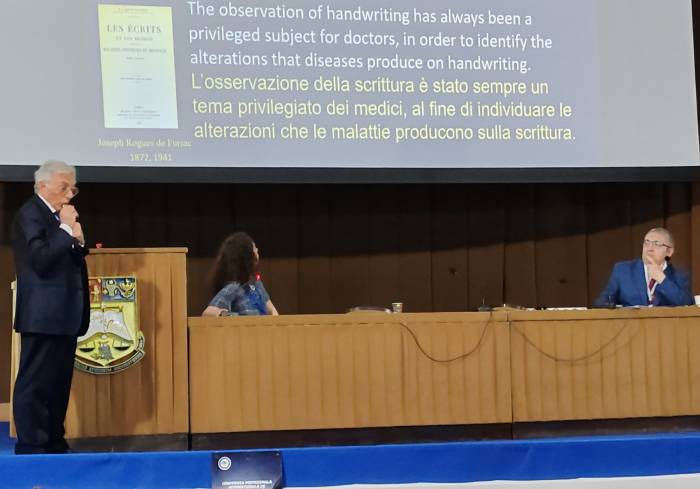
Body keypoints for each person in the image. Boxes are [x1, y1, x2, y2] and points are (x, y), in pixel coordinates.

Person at [12, 160, 89, 454]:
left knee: (58, 384)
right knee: (35, 383)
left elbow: (67, 258)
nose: (69, 195)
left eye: (72, 189)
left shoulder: (56, 217)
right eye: (63, 188)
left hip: (65, 314)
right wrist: (66, 228)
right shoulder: (30, 214)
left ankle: (54, 441)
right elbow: (40, 260)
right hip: (43, 315)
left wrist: (78, 241)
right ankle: (32, 445)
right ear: (42, 185)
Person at [594, 228, 693, 308]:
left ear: (669, 252)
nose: (649, 248)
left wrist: (662, 279)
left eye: (656, 244)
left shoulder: (680, 275)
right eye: (647, 243)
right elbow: (602, 301)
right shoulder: (623, 270)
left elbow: (686, 304)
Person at [202, 232, 279, 316]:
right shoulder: (234, 287)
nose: (257, 251)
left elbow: (273, 311)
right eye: (254, 248)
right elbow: (208, 313)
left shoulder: (257, 285)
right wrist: (225, 315)